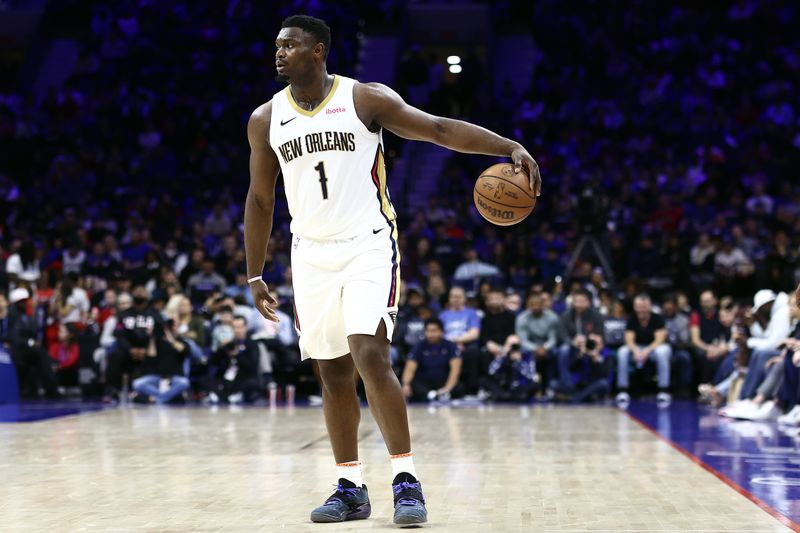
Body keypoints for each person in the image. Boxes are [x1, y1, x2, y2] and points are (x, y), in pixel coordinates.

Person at [243, 15, 540, 525]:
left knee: (369, 353)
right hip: (309, 253)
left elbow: (439, 130)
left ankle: (406, 479)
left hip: (368, 244)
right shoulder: (266, 118)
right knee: (333, 372)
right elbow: (260, 197)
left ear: (318, 51)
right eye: (277, 46)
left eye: (290, 45)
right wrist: (254, 273)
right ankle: (350, 486)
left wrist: (506, 146)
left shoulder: (365, 99)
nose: (280, 52)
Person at [615, 294, 673, 407]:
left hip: (654, 348)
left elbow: (660, 339)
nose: (641, 309)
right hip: (637, 348)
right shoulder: (632, 318)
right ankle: (622, 389)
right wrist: (636, 350)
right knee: (622, 352)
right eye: (638, 306)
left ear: (650, 306)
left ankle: (663, 390)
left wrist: (647, 351)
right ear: (634, 307)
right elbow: (629, 339)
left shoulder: (657, 318)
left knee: (662, 352)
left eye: (644, 306)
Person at [400, 318, 462, 401]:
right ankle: (431, 395)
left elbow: (455, 370)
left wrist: (447, 388)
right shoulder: (419, 346)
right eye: (428, 331)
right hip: (425, 382)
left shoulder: (450, 346)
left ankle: (441, 395)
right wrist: (406, 384)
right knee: (413, 384)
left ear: (441, 331)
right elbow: (410, 367)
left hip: (444, 381)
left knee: (459, 387)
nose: (430, 334)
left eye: (434, 331)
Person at [515, 292, 560, 390]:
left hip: (547, 347)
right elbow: (523, 340)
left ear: (543, 305)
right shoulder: (521, 318)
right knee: (521, 353)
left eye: (537, 304)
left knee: (556, 352)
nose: (535, 307)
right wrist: (535, 348)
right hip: (529, 347)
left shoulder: (552, 317)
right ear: (527, 305)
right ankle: (526, 386)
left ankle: (550, 386)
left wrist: (544, 348)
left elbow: (553, 339)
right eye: (532, 305)